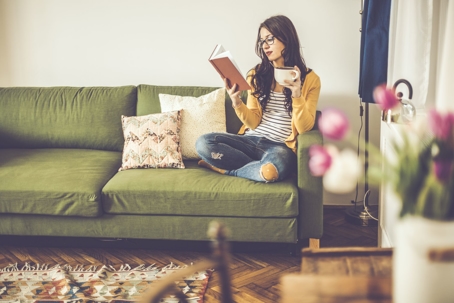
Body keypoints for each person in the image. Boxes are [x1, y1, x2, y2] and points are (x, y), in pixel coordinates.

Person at [195, 15, 321, 183]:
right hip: (249, 140)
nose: (265, 45)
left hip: (279, 148)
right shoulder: (256, 75)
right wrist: (237, 102)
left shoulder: (311, 79)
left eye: (270, 39)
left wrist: (297, 95)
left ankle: (224, 169)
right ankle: (256, 168)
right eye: (262, 41)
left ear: (286, 37)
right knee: (203, 143)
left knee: (270, 171)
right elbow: (253, 122)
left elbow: (305, 128)